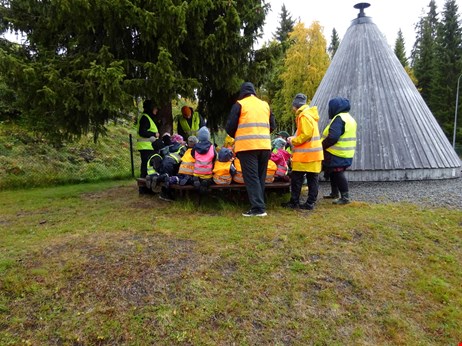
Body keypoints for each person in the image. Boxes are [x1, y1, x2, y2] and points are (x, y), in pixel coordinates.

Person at [225, 82, 276, 217]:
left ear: (242, 92)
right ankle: (260, 203)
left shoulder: (240, 104)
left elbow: (230, 126)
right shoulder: (265, 105)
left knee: (251, 177)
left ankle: (258, 208)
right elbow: (273, 125)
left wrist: (238, 135)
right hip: (264, 146)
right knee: (260, 176)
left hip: (247, 146)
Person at [281, 93, 323, 210]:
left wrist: (293, 140)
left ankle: (294, 202)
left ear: (296, 106)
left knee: (297, 179)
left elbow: (306, 134)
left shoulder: (303, 116)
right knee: (313, 179)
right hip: (314, 154)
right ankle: (310, 203)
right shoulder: (310, 115)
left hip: (305, 155)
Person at [321, 97, 357, 205]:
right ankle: (334, 193)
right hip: (345, 152)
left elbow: (333, 137)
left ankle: (345, 197)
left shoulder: (339, 118)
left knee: (337, 172)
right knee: (333, 172)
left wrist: (322, 145)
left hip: (337, 152)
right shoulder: (349, 118)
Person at [136, 100, 160, 194]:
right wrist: (154, 134)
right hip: (146, 147)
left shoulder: (147, 117)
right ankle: (143, 189)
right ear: (151, 108)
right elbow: (143, 132)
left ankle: (146, 188)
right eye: (155, 108)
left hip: (148, 147)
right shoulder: (145, 118)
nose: (157, 110)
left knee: (147, 168)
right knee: (146, 168)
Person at [191, 126, 216, 193]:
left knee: (194, 177)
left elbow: (192, 155)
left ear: (199, 137)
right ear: (208, 137)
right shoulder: (212, 147)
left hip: (197, 172)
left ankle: (196, 180)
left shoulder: (195, 147)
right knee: (210, 180)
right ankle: (206, 182)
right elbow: (215, 157)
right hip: (208, 172)